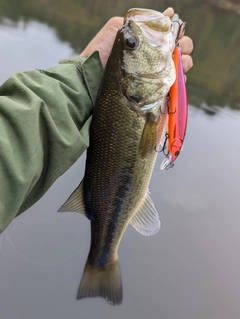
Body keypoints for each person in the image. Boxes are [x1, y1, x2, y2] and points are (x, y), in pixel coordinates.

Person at [0, 8, 193, 233]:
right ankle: (103, 259)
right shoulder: (136, 98)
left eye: (131, 43)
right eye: (132, 43)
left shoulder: (138, 99)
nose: (133, 40)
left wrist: (85, 76)